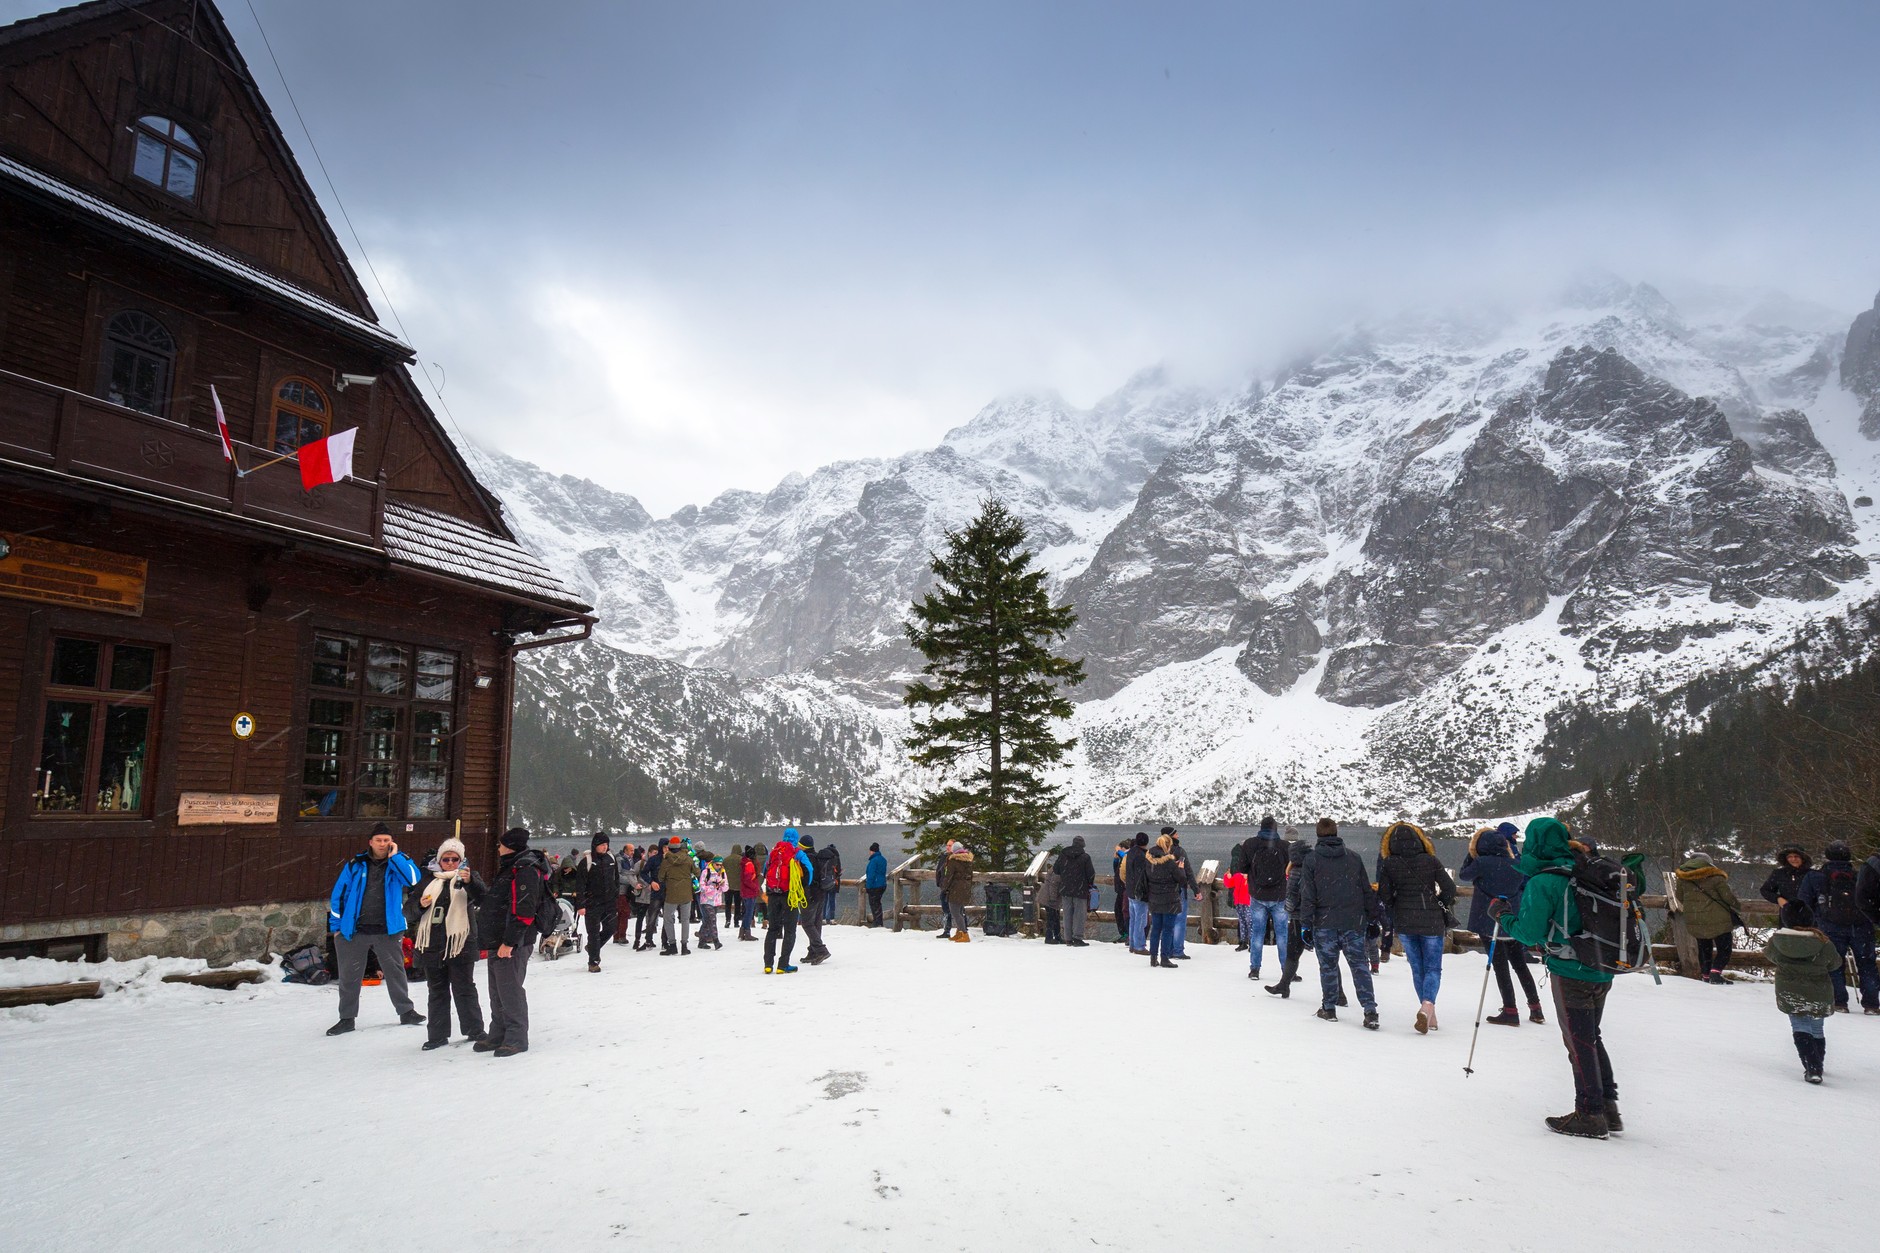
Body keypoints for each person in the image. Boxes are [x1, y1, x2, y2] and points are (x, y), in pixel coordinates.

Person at [1492, 816, 1621, 1139]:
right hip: (1602, 967)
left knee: (1578, 1042)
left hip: (1570, 970)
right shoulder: (1584, 870)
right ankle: (1609, 1108)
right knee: (1592, 1036)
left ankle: (1590, 1114)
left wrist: (1503, 915)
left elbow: (1528, 932)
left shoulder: (1544, 881)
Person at [325, 823, 425, 1036]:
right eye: (378, 840)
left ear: (392, 843)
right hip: (354, 931)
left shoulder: (398, 862)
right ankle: (346, 1019)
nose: (382, 844)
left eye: (386, 840)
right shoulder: (355, 864)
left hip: (388, 930)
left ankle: (406, 1012)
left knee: (396, 973)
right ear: (370, 842)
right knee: (349, 977)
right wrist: (336, 928)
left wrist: (395, 857)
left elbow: (413, 879)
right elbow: (339, 895)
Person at [1374, 821, 1456, 1034]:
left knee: (1417, 967)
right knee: (1432, 968)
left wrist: (1395, 907)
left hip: (1405, 922)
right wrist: (1439, 902)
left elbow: (1384, 894)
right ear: (1419, 840)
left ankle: (1429, 1012)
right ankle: (1428, 1005)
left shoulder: (1389, 863)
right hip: (1432, 920)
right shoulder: (1430, 860)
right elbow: (1449, 887)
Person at [1460, 824, 1543, 1026]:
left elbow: (1463, 875)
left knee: (1500, 967)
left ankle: (1510, 1010)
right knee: (1520, 965)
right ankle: (1536, 1008)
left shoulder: (1482, 863)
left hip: (1489, 921)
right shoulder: (1515, 863)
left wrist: (1472, 854)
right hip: (1512, 920)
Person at [1297, 818, 1377, 1027]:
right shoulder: (1353, 858)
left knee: (1328, 967)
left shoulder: (1312, 860)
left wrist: (1305, 925)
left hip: (1324, 923)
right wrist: (1373, 918)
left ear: (1318, 835)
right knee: (1360, 966)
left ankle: (1329, 1007)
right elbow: (1366, 891)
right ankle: (1370, 1010)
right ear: (1336, 833)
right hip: (1353, 922)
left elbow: (1308, 896)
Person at [479, 827, 550, 1057]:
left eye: (501, 844)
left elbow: (525, 911)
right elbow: (495, 901)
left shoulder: (525, 868)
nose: (498, 848)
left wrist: (509, 942)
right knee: (496, 990)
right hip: (498, 938)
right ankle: (498, 1032)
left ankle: (516, 1037)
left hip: (513, 941)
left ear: (510, 845)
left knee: (509, 990)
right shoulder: (511, 866)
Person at [410, 837, 485, 1050]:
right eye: (446, 859)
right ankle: (437, 1035)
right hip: (431, 944)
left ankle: (475, 1030)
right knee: (437, 990)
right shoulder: (427, 880)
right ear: (439, 860)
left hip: (460, 943)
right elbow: (409, 911)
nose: (450, 863)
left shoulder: (467, 877)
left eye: (454, 859)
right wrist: (420, 905)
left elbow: (483, 899)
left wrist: (471, 882)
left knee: (465, 988)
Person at [1765, 899, 1840, 1083]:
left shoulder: (1777, 941)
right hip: (1819, 991)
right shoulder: (1823, 942)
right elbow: (1835, 963)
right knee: (1816, 1027)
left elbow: (1770, 955)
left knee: (1800, 1027)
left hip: (1790, 991)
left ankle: (1812, 1066)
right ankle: (1817, 1063)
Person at [1801, 841, 1880, 1013]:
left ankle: (1839, 1002)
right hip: (1861, 926)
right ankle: (1872, 1004)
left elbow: (1803, 902)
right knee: (1867, 965)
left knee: (1834, 964)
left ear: (1827, 856)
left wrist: (1814, 921)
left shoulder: (1816, 877)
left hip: (1830, 927)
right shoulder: (1861, 873)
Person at [1675, 852, 1743, 984]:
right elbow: (1727, 897)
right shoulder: (1715, 876)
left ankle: (1706, 975)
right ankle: (1715, 973)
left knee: (1704, 948)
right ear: (1708, 862)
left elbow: (1680, 897)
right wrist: (1738, 907)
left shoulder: (1683, 878)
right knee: (1725, 948)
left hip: (1696, 919)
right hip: (1717, 918)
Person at [1243, 818, 1291, 982]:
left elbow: (1241, 867)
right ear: (1276, 829)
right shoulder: (1285, 846)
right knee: (1283, 935)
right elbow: (1292, 867)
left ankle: (1255, 969)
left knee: (1257, 933)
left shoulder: (1250, 844)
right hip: (1279, 896)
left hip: (1258, 895)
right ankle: (1287, 971)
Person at [1264, 842, 1312, 998]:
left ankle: (1284, 985)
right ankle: (1338, 993)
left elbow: (1291, 899)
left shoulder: (1295, 872)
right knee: (1327, 958)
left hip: (1299, 919)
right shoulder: (1315, 868)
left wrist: (1287, 908)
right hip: (1318, 917)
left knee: (1292, 954)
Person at [763, 828, 813, 973]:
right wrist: (801, 887)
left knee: (772, 929)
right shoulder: (797, 853)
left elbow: (766, 871)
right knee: (790, 930)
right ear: (796, 839)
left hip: (773, 894)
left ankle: (768, 964)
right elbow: (809, 872)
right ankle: (783, 964)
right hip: (789, 895)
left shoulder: (774, 852)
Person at [575, 832, 621, 973]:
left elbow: (616, 879)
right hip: (592, 903)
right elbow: (580, 884)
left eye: (606, 844)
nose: (605, 847)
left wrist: (615, 894)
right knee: (593, 933)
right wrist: (580, 905)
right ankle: (593, 962)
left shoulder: (611, 858)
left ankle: (594, 947)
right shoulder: (586, 862)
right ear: (595, 845)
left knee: (612, 928)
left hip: (609, 902)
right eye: (602, 845)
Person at [1144, 835, 1185, 968]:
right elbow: (1181, 880)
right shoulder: (1169, 863)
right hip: (1169, 899)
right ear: (1168, 846)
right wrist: (1180, 868)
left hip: (1154, 898)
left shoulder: (1149, 860)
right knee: (1168, 929)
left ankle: (1153, 957)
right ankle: (1165, 957)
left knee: (1156, 929)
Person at [652, 835, 696, 955]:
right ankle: (684, 946)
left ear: (670, 848)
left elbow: (661, 877)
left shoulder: (666, 861)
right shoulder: (688, 858)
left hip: (671, 894)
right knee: (685, 920)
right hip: (686, 894)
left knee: (668, 919)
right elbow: (697, 872)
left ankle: (672, 945)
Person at [802, 835, 841, 964]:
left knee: (807, 923)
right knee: (816, 922)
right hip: (821, 893)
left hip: (811, 894)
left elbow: (806, 879)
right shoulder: (818, 856)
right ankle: (813, 952)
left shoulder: (806, 859)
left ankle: (820, 950)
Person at [1055, 835, 1095, 947]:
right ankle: (1077, 937)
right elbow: (1091, 874)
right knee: (1079, 914)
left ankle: (1068, 938)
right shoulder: (1085, 857)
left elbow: (1056, 870)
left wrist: (1066, 875)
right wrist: (1089, 884)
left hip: (1065, 889)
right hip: (1080, 889)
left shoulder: (1063, 855)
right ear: (1083, 845)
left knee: (1067, 914)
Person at [1164, 828, 1196, 958]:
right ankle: (1177, 950)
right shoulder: (1179, 851)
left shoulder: (1157, 852)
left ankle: (1167, 949)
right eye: (1176, 834)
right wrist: (1196, 889)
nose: (1178, 835)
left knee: (1167, 921)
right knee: (1179, 921)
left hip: (1163, 890)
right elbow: (1188, 872)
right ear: (1172, 837)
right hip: (1178, 888)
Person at [940, 842, 975, 941]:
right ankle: (959, 932)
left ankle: (964, 934)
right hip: (965, 888)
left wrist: (944, 888)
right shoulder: (968, 861)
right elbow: (971, 876)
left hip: (956, 889)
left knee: (955, 912)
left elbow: (949, 877)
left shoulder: (954, 861)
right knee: (959, 911)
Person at [1123, 833, 1151, 953]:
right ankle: (1139, 945)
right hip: (1138, 893)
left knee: (1133, 919)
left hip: (1130, 890)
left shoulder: (1131, 853)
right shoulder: (1141, 856)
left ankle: (1133, 944)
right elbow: (1141, 877)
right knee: (1141, 920)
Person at [633, 845, 660, 951]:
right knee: (640, 917)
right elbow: (633, 875)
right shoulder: (640, 863)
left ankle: (649, 939)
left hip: (653, 895)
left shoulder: (658, 863)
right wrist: (637, 884)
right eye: (653, 853)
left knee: (651, 918)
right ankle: (637, 940)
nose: (655, 855)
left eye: (657, 853)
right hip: (643, 895)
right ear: (649, 853)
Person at [613, 843, 638, 943]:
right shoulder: (620, 860)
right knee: (625, 912)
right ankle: (621, 936)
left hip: (626, 891)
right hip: (620, 890)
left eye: (633, 850)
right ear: (625, 851)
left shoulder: (630, 860)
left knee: (621, 913)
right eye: (631, 850)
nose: (633, 852)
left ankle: (617, 935)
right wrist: (631, 881)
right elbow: (617, 876)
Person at [1038, 853, 1063, 943]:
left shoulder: (1056, 868)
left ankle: (1057, 937)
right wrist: (1053, 899)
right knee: (1052, 918)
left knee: (1055, 917)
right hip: (1049, 898)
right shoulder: (1058, 870)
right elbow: (1053, 885)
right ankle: (1049, 938)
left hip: (1048, 897)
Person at [739, 846, 762, 939]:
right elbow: (748, 880)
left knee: (747, 912)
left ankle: (742, 931)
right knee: (749, 913)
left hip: (745, 891)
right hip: (749, 892)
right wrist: (755, 888)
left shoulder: (744, 862)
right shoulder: (749, 864)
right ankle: (747, 931)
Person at [1111, 840, 1131, 945]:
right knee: (1118, 910)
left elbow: (1125, 857)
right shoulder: (1122, 858)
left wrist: (1119, 852)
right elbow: (1116, 871)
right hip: (1120, 889)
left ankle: (1127, 933)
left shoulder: (1128, 855)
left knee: (1124, 911)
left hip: (1124, 889)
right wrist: (1115, 859)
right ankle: (1124, 932)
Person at [863, 843, 889, 927]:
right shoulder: (883, 859)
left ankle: (877, 923)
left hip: (875, 885)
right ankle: (879, 922)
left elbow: (871, 875)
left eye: (870, 851)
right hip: (882, 884)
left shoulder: (873, 861)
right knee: (878, 904)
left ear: (872, 851)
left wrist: (868, 886)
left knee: (874, 904)